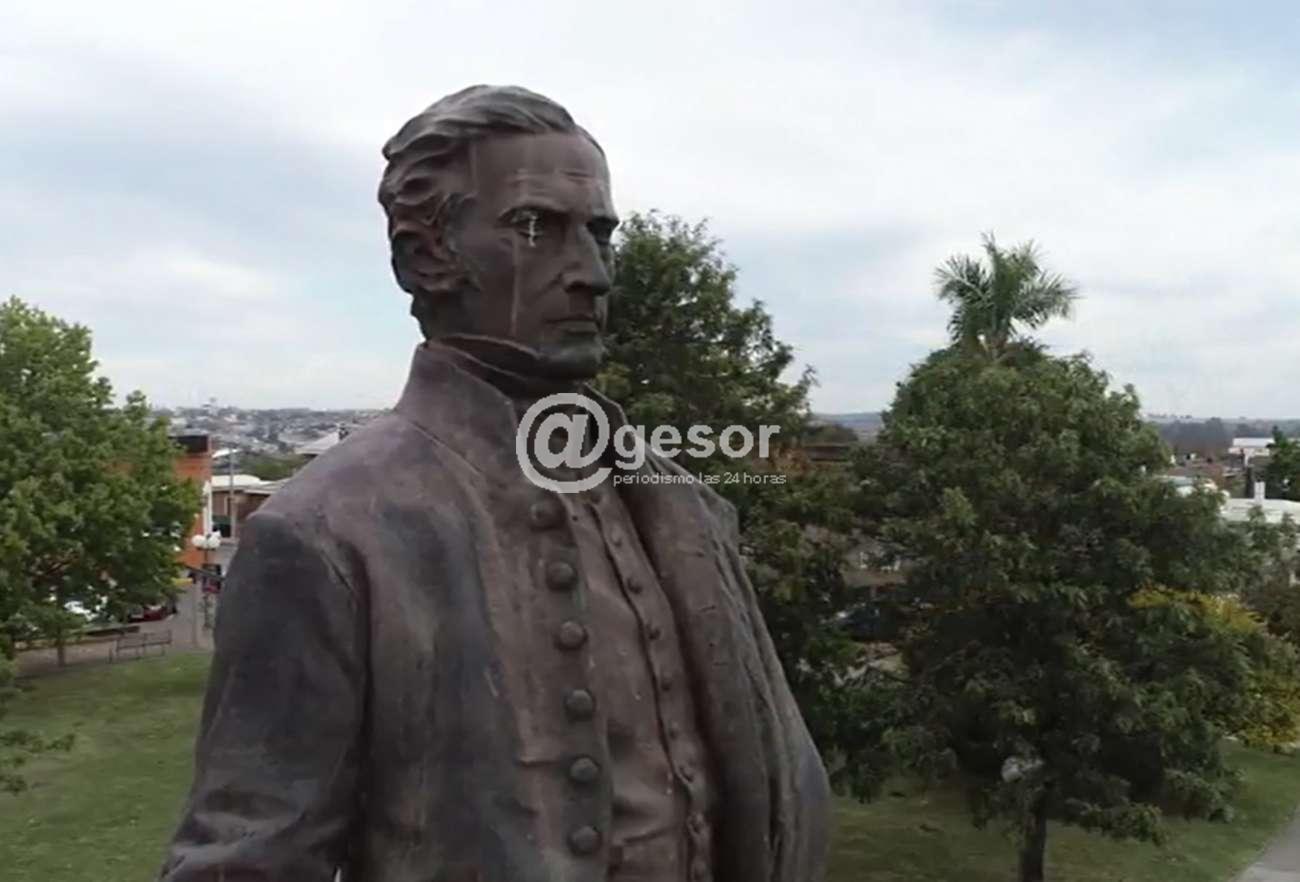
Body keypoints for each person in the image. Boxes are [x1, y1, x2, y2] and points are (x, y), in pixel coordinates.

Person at [160, 84, 829, 882]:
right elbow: (246, 860)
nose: (592, 275)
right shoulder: (323, 533)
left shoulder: (676, 503)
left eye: (599, 235)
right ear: (426, 256)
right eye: (536, 228)